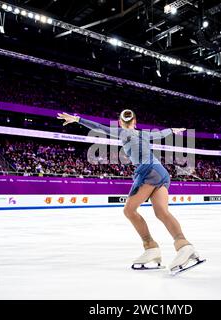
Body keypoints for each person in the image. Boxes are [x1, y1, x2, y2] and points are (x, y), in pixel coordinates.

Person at [57, 109, 203, 273]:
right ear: (136, 122)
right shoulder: (145, 134)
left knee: (129, 210)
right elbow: (161, 133)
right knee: (162, 212)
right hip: (160, 171)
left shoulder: (121, 132)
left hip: (148, 171)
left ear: (120, 122)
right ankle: (184, 246)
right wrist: (173, 130)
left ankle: (151, 247)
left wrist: (77, 119)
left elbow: (99, 127)